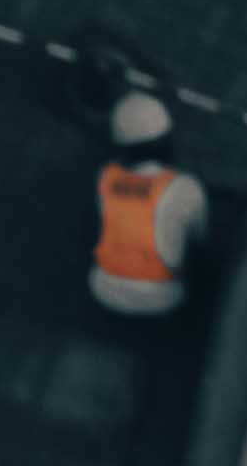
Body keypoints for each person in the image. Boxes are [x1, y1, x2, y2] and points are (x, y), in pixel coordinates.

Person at [89, 91, 209, 316]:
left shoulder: (105, 177)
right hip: (162, 298)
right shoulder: (185, 187)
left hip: (103, 288)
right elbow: (199, 239)